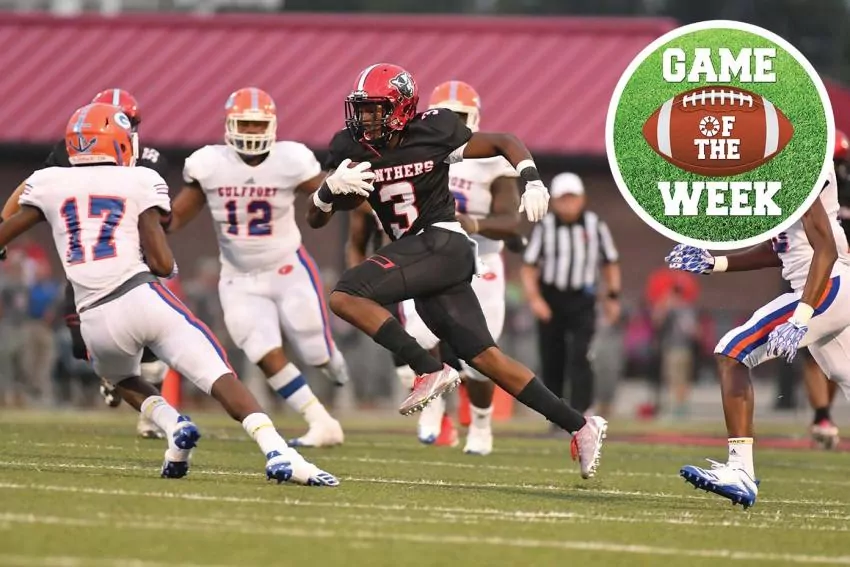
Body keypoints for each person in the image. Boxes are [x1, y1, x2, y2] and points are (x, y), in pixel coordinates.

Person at [0, 102, 337, 486]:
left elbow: (8, 229)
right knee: (218, 375)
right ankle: (278, 451)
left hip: (94, 316)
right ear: (119, 142)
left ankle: (173, 425)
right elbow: (161, 263)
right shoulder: (139, 179)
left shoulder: (48, 182)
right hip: (140, 297)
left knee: (120, 377)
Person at [307, 62, 607, 478]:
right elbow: (316, 220)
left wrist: (533, 180)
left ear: (400, 108)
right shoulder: (350, 148)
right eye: (361, 109)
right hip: (423, 256)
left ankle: (429, 369)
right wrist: (325, 194)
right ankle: (581, 425)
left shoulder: (432, 130)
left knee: (345, 294)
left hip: (443, 242)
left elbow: (504, 141)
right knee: (486, 358)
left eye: (375, 109)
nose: (365, 118)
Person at [165, 87, 345, 448]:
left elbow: (324, 193)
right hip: (239, 276)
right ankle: (321, 421)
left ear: (272, 126)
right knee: (262, 351)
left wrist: (343, 189)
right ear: (230, 125)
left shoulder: (290, 159)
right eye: (244, 124)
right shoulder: (210, 164)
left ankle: (333, 363)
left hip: (287, 268)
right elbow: (176, 217)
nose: (250, 131)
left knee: (316, 351)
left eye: (257, 124)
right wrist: (145, 218)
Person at [667, 163, 850, 508]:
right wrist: (716, 263)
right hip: (829, 286)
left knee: (733, 351)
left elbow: (824, 250)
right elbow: (780, 247)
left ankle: (740, 470)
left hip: (824, 287)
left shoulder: (801, 165)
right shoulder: (781, 167)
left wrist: (801, 316)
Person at [1, 88, 171, 438]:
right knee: (83, 345)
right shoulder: (69, 151)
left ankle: (151, 414)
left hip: (134, 264)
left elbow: (158, 222)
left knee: (152, 341)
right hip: (87, 262)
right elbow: (31, 187)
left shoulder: (148, 162)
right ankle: (113, 373)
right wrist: (4, 223)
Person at [520, 173, 621, 418]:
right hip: (551, 299)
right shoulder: (545, 227)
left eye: (572, 198)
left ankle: (582, 412)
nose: (568, 203)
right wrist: (535, 299)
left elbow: (610, 262)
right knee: (552, 358)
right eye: (563, 199)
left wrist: (612, 296)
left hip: (582, 300)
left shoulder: (595, 225)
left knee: (581, 354)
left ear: (582, 198)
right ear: (554, 201)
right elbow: (529, 267)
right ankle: (557, 415)